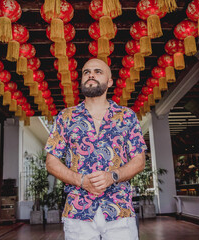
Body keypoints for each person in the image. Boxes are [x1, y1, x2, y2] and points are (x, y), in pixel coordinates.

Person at [45, 58, 147, 240]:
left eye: (98, 71)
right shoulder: (65, 117)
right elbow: (51, 162)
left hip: (119, 209)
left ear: (110, 82)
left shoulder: (127, 116)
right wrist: (81, 180)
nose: (91, 75)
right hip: (78, 210)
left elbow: (139, 161)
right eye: (86, 72)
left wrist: (112, 176)